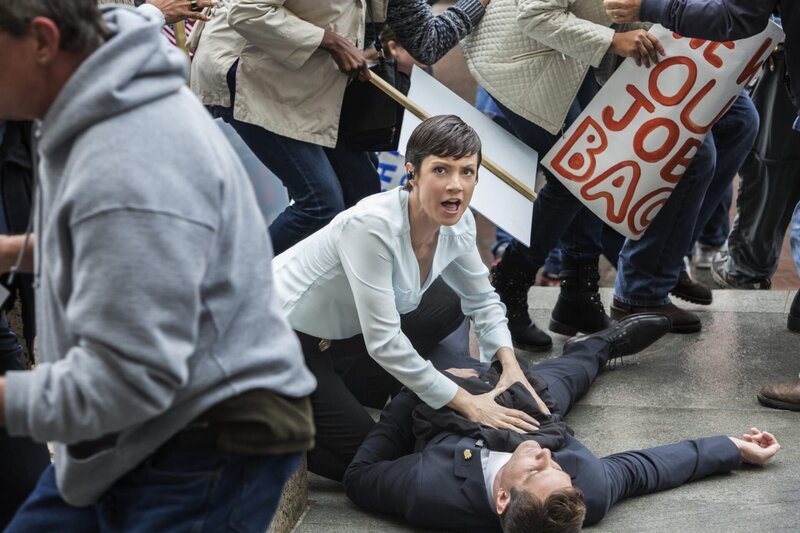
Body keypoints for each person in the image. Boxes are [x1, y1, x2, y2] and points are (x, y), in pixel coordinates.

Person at [0, 3, 316, 531]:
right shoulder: (98, 88)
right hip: (129, 433)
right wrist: (14, 250)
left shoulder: (127, 153)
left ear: (42, 41)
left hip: (207, 442)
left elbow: (128, 378)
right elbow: (119, 246)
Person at [273, 115, 541, 481]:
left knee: (447, 301)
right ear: (412, 172)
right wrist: (469, 404)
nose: (456, 186)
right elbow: (384, 341)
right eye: (441, 170)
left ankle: (352, 390)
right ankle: (264, 419)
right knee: (373, 458)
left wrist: (508, 366)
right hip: (280, 339)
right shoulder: (371, 227)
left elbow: (483, 299)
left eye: (467, 172)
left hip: (339, 337)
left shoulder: (459, 222)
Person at [343, 315, 781, 532]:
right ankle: (599, 344)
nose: (548, 458)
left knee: (437, 320)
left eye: (536, 471)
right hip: (530, 412)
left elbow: (359, 477)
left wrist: (419, 389)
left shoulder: (428, 488)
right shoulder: (583, 485)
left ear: (500, 498)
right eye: (559, 470)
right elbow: (643, 469)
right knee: (568, 376)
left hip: (450, 404)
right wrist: (733, 447)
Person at [602, 0, 800, 417]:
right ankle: (626, 284)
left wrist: (652, 6)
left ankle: (658, 272)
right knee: (700, 152)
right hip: (652, 45)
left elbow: (737, 15)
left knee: (736, 127)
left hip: (699, 39)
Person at [191, 0, 489, 255]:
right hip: (250, 77)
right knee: (320, 203)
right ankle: (230, 291)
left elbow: (426, 42)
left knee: (361, 195)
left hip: (310, 86)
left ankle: (326, 307)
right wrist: (330, 41)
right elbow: (246, 12)